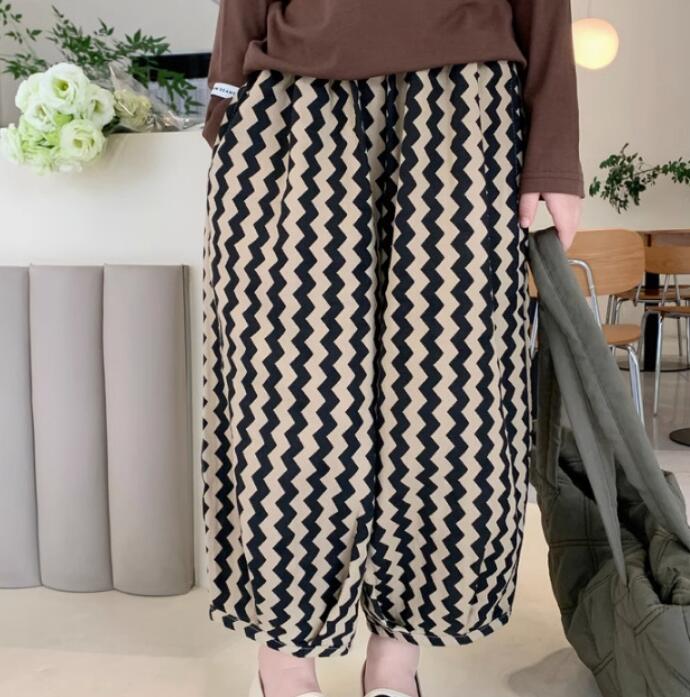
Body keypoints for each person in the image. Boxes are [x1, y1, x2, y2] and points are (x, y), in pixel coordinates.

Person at [200, 2, 583, 696]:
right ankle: (284, 661)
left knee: (450, 413)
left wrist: (553, 147)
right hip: (296, 109)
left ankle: (396, 660)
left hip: (465, 113)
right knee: (291, 409)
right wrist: (225, 104)